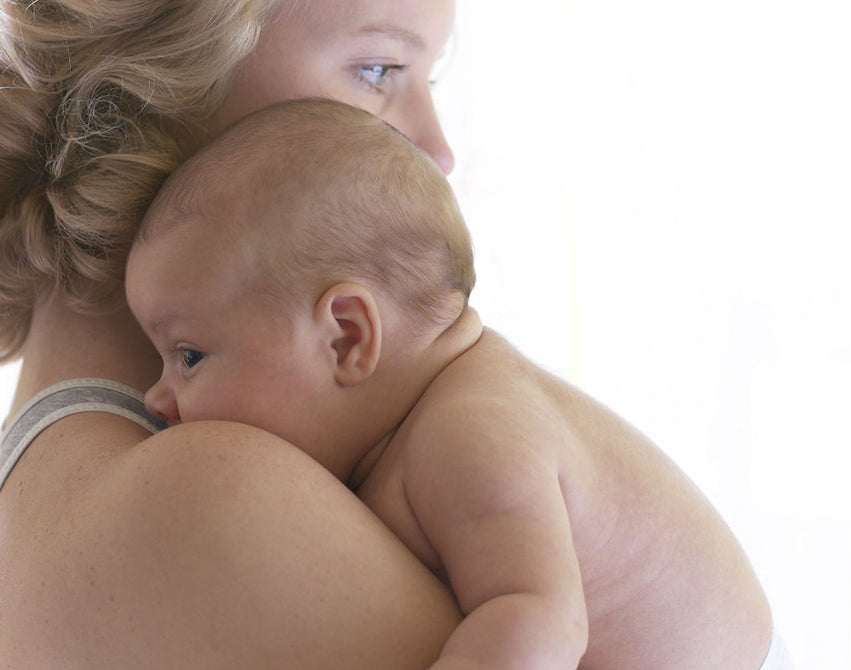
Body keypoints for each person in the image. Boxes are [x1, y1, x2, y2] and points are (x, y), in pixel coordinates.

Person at [128, 98, 787, 670]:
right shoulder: (413, 424)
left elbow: (538, 619)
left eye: (189, 355)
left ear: (348, 337)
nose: (156, 397)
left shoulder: (468, 434)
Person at [0, 1, 468, 667]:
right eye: (377, 68)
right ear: (159, 74)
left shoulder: (65, 474)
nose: (439, 149)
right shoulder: (197, 496)